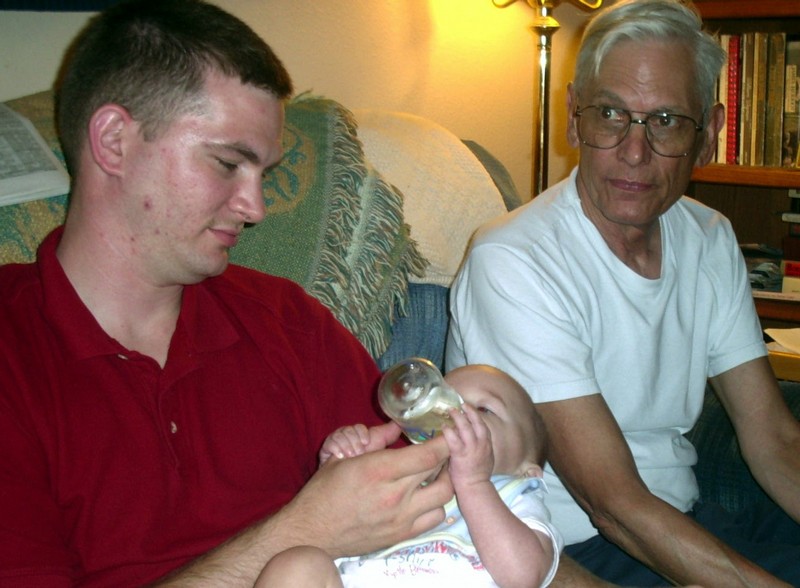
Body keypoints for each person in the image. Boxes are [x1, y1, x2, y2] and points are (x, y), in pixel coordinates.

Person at [0, 1, 454, 586]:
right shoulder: (14, 354)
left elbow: (443, 530)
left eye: (264, 174)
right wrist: (304, 530)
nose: (255, 208)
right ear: (114, 142)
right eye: (226, 163)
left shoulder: (289, 322)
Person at [446, 0, 800, 586]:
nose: (634, 152)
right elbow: (613, 505)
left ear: (708, 134)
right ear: (573, 118)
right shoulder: (514, 261)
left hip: (681, 522)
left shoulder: (709, 238)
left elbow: (775, 440)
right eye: (610, 114)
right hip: (562, 550)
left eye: (665, 121)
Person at [256, 364, 564, 588]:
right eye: (444, 403)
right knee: (295, 566)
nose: (456, 414)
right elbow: (341, 525)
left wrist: (474, 484)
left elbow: (523, 577)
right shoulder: (409, 488)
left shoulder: (515, 497)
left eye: (484, 409)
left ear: (529, 470)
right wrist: (343, 463)